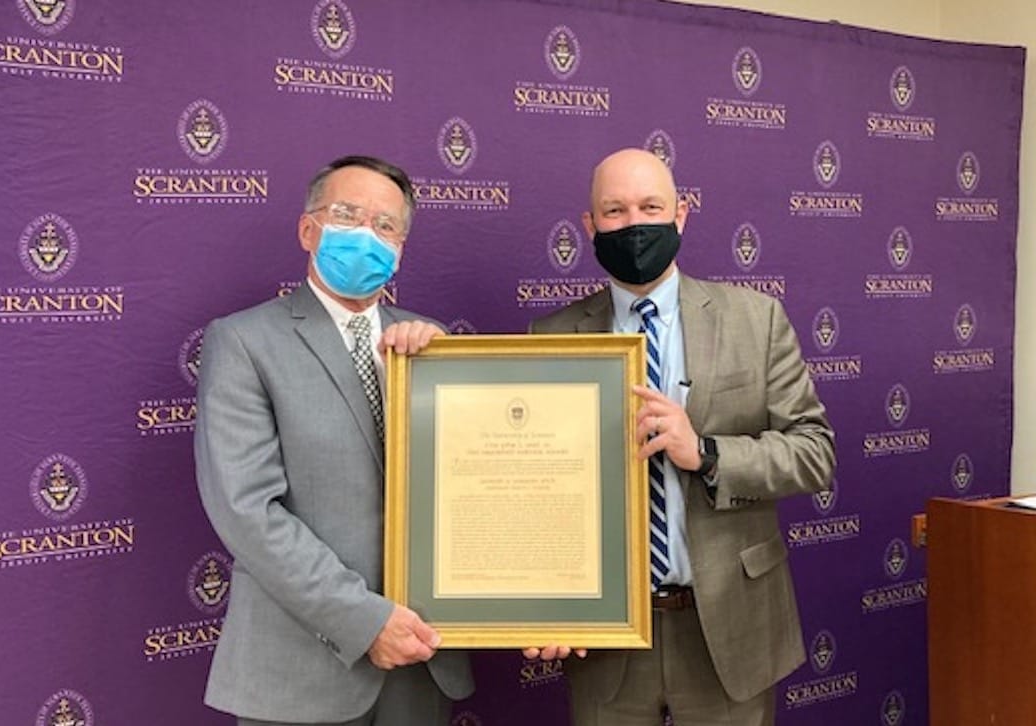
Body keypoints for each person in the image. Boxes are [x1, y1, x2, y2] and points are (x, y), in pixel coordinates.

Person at [526, 148, 836, 725]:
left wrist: (707, 452)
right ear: (589, 227)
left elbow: (815, 452)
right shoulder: (551, 334)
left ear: (681, 214)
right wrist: (543, 597)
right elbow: (537, 489)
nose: (634, 224)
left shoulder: (756, 318)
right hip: (609, 635)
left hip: (728, 628)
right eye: (614, 211)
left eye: (651, 206)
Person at [195, 155, 473, 726]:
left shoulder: (430, 345)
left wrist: (446, 372)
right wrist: (366, 621)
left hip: (420, 660)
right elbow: (248, 511)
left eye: (385, 225)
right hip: (299, 668)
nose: (366, 235)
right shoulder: (244, 342)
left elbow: (474, 489)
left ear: (400, 247)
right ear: (308, 229)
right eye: (347, 215)